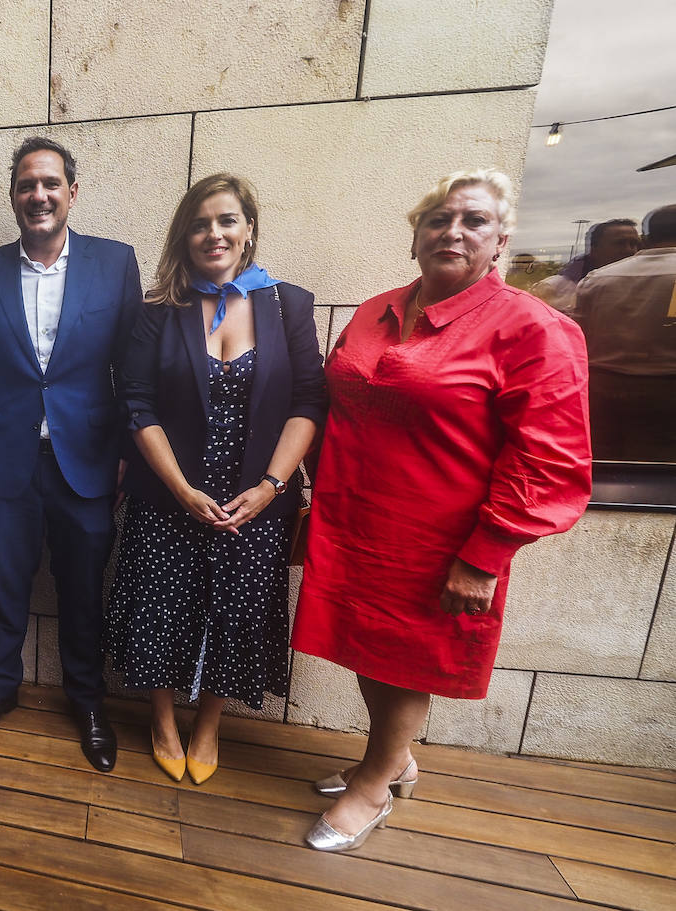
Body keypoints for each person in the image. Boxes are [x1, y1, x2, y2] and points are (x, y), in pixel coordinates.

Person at [290, 169, 591, 852]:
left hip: (440, 537)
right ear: (416, 237)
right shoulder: (373, 311)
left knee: (407, 661)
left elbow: (551, 462)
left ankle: (375, 784)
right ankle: (392, 759)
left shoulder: (534, 329)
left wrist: (486, 554)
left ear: (501, 241)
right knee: (364, 650)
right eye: (437, 219)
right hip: (354, 521)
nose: (452, 231)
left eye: (474, 221)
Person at [108, 174, 326, 785]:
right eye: (201, 223)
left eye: (227, 220)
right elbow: (137, 404)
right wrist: (179, 488)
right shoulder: (159, 310)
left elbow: (308, 401)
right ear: (185, 234)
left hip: (255, 500)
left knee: (237, 612)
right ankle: (163, 721)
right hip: (168, 494)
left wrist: (272, 487)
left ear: (249, 228)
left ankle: (208, 724)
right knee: (159, 609)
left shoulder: (290, 305)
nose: (214, 234)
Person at [0, 136, 143, 772]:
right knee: (5, 583)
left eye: (51, 184)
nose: (40, 195)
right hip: (6, 458)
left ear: (72, 193)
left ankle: (88, 701)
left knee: (84, 588)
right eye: (28, 185)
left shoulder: (115, 265)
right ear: (13, 196)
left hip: (86, 459)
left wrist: (123, 455)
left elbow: (130, 372)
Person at [575, 204, 676, 461]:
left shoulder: (597, 278)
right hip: (667, 392)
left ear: (647, 239)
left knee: (605, 464)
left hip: (602, 390)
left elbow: (580, 337)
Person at [533, 219, 640, 315]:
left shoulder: (644, 287)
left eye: (634, 244)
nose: (629, 250)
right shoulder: (552, 288)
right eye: (620, 244)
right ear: (594, 249)